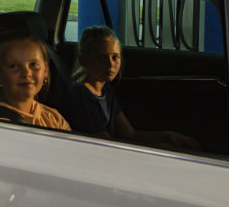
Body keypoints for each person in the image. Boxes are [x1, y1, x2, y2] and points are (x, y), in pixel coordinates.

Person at [62, 26, 200, 150]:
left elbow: (131, 134)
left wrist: (169, 136)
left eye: (115, 57)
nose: (110, 64)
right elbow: (105, 146)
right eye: (100, 57)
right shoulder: (81, 94)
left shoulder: (106, 90)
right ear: (83, 60)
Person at [0, 32, 71, 130]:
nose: (26, 73)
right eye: (13, 66)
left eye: (33, 64)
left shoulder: (54, 119)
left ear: (45, 70)